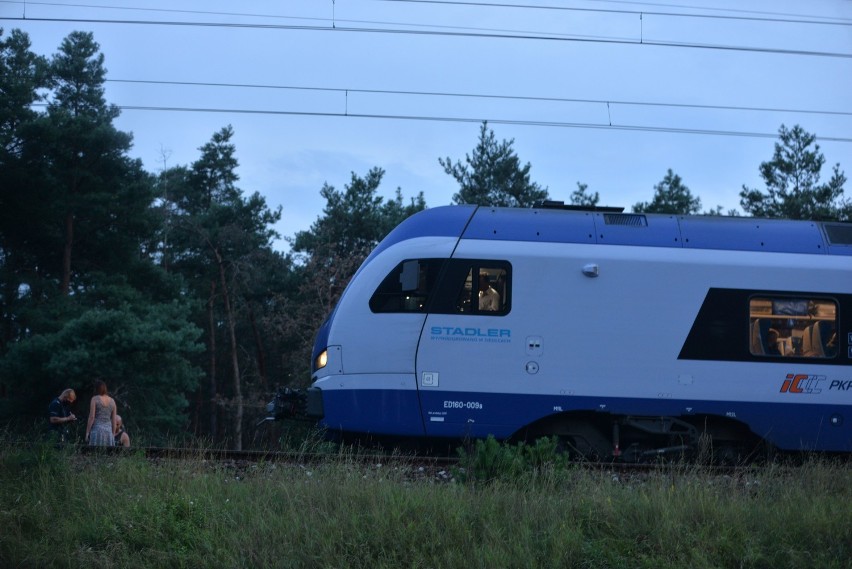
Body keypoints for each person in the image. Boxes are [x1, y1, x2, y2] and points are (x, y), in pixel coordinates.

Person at [85, 380, 117, 447]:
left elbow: (92, 417)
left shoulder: (94, 399)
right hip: (108, 432)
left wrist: (87, 432)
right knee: (108, 455)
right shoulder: (112, 401)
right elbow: (114, 420)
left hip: (97, 430)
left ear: (96, 389)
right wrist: (113, 434)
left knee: (95, 454)